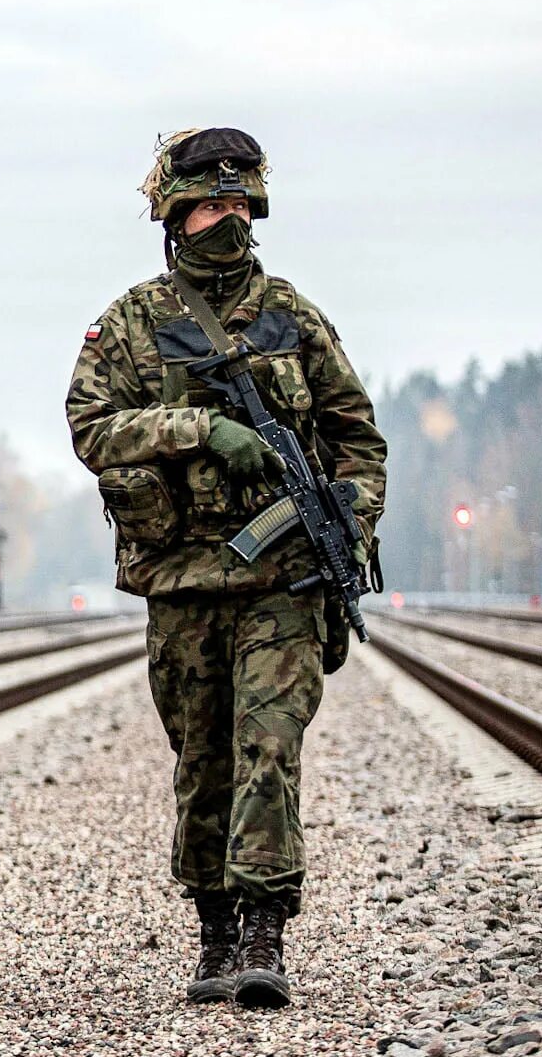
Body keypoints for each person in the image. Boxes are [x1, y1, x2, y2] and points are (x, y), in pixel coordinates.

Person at [65, 129, 386, 1008]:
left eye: (241, 204)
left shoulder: (294, 315)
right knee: (201, 755)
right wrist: (200, 429)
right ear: (174, 216)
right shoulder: (131, 321)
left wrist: (351, 519)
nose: (228, 219)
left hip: (284, 580)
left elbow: (358, 438)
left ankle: (263, 928)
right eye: (211, 204)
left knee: (269, 746)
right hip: (183, 581)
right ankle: (212, 925)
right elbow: (92, 429)